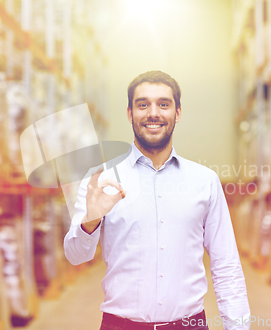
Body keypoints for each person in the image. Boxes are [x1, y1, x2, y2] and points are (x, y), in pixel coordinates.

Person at [64, 71, 250, 330]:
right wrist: (90, 221)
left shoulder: (204, 181)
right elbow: (75, 256)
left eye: (163, 104)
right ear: (130, 113)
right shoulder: (102, 179)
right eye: (143, 105)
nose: (153, 113)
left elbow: (226, 264)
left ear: (178, 113)